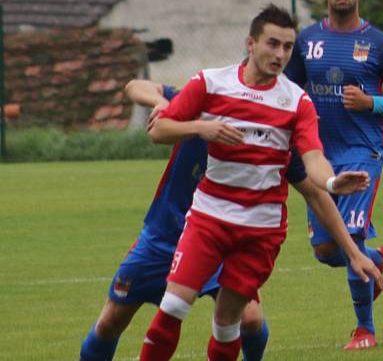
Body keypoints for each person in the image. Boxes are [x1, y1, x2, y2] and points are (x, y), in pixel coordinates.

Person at [138, 4, 383, 361]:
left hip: (259, 233)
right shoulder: (210, 83)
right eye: (273, 44)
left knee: (227, 324)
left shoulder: (296, 102)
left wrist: (332, 181)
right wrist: (203, 128)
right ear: (250, 43)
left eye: (287, 47)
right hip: (209, 219)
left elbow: (313, 158)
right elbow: (159, 129)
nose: (280, 54)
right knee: (173, 305)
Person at [78, 79, 268, 361]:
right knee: (111, 322)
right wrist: (164, 105)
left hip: (216, 237)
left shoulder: (265, 129)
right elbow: (134, 86)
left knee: (250, 318)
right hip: (164, 237)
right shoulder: (202, 103)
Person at [283, 0, 383, 350]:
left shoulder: (379, 43)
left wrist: (372, 102)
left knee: (351, 238)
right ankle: (375, 257)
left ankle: (365, 330)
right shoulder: (306, 42)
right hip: (318, 159)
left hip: (362, 153)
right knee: (326, 251)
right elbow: (287, 94)